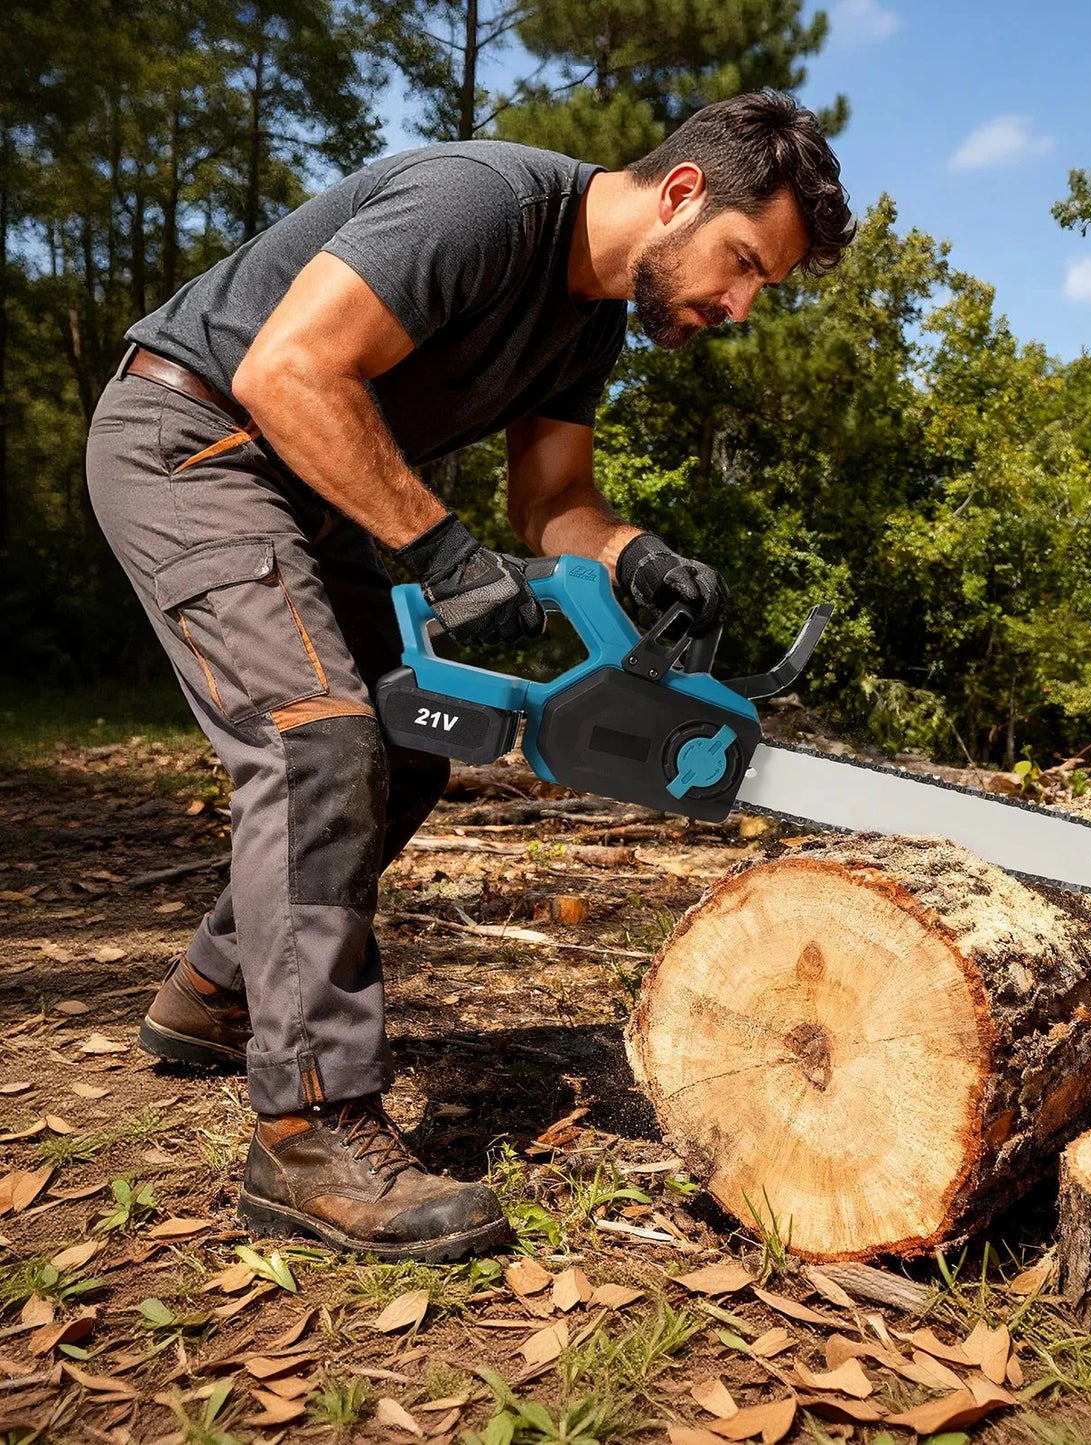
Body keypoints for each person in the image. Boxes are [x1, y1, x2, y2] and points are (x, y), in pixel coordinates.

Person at [84, 90, 854, 1262]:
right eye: (743, 264)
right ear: (684, 193)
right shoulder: (481, 204)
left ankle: (218, 989)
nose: (738, 305)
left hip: (310, 495)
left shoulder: (588, 324)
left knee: (412, 737)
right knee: (317, 737)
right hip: (193, 441)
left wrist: (634, 555)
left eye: (762, 290)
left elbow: (553, 509)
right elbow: (290, 373)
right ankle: (309, 1131)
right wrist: (441, 552)